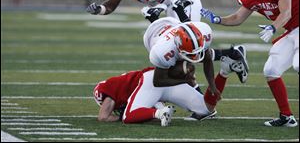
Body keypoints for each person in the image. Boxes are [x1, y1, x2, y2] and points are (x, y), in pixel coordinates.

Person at [85, 0, 249, 85]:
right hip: (168, 8)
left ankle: (202, 95)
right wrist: (98, 9)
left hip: (184, 1)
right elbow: (111, 5)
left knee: (185, 50)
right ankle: (231, 55)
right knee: (178, 52)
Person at [200, 0, 298, 127]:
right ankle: (287, 117)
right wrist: (218, 19)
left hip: (294, 27)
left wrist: (273, 27)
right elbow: (238, 17)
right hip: (292, 31)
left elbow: (286, 12)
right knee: (271, 70)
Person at [93, 57, 236, 126]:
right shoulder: (122, 83)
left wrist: (118, 116)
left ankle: (160, 113)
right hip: (161, 79)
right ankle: (224, 71)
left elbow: (103, 117)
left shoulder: (107, 90)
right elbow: (154, 99)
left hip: (150, 81)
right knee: (206, 109)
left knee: (128, 117)